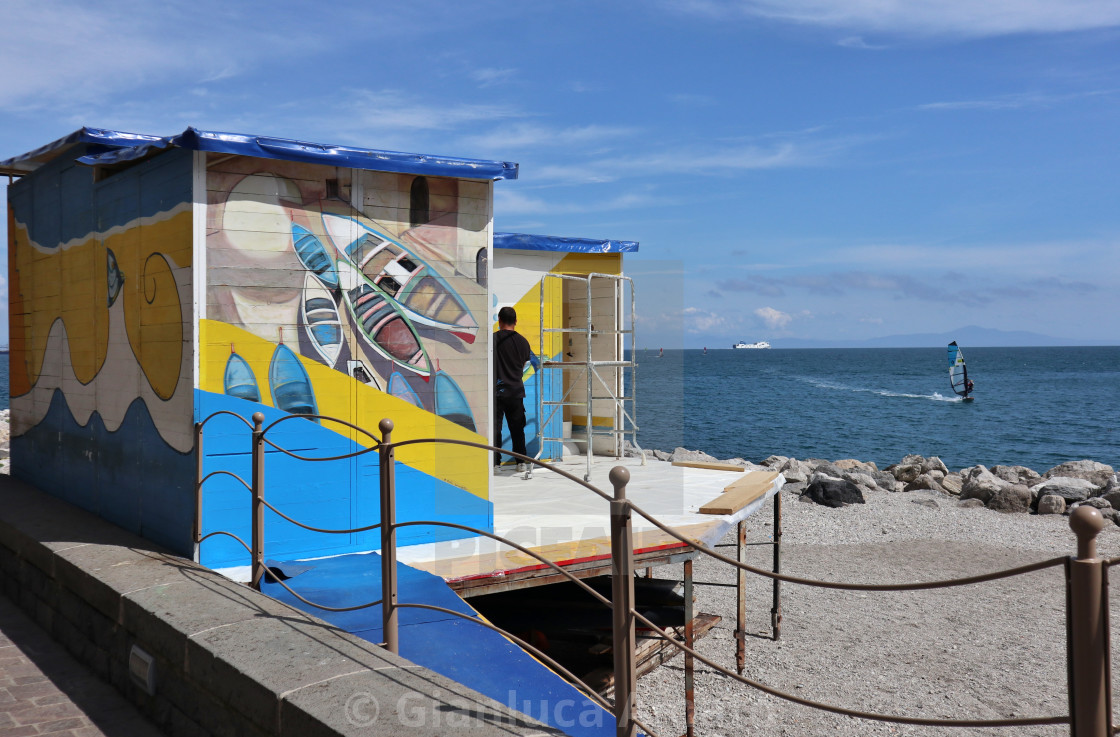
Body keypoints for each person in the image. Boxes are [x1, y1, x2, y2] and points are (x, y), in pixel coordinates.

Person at [493, 307, 540, 473]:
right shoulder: (523, 342)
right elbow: (535, 363)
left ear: (499, 320)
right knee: (517, 428)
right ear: (516, 321)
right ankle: (521, 462)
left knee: (495, 429)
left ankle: (495, 464)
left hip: (497, 392)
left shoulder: (493, 340)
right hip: (516, 391)